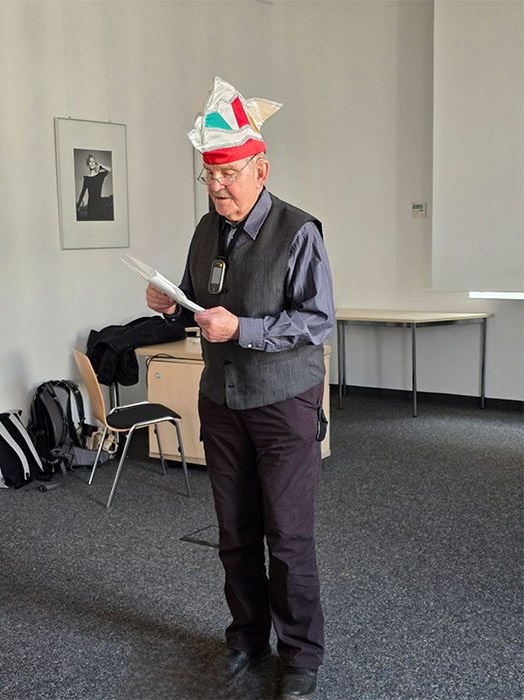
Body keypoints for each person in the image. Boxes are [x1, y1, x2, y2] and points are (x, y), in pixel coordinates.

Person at [146, 77, 335, 700]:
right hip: (223, 402)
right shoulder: (206, 229)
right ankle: (248, 636)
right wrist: (169, 304)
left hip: (283, 403)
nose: (217, 186)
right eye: (209, 175)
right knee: (235, 532)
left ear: (261, 169)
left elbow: (317, 321)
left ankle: (301, 656)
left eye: (228, 174)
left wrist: (243, 329)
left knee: (288, 537)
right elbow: (195, 297)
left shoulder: (299, 231)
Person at [76, 154, 111, 221]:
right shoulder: (86, 179)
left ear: (95, 164)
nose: (92, 163)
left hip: (100, 205)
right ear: (88, 164)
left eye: (93, 161)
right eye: (90, 161)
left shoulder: (100, 176)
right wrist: (78, 206)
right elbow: (82, 193)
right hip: (91, 206)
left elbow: (110, 170)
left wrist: (101, 166)